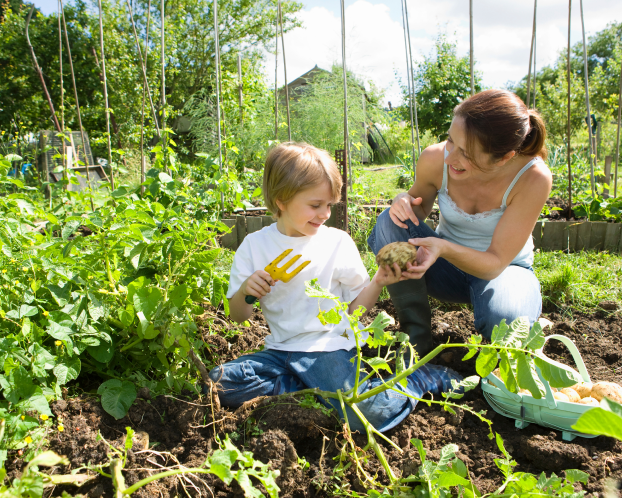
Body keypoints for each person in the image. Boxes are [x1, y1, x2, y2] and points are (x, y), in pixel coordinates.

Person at [209, 142, 461, 433]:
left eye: (329, 205)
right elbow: (238, 316)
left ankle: (419, 379)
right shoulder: (255, 246)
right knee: (218, 383)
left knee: (368, 416)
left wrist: (378, 281)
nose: (325, 213)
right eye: (315, 205)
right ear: (281, 200)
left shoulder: (336, 242)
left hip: (327, 349)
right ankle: (310, 390)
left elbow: (354, 312)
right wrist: (245, 292)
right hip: (280, 352)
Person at [368, 89, 551, 355]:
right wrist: (402, 200)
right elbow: (415, 209)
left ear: (504, 157)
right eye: (451, 141)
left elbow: (495, 263)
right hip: (443, 269)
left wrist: (443, 248)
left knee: (509, 325)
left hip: (503, 271)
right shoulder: (435, 158)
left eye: (467, 153)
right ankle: (415, 336)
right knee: (389, 221)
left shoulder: (533, 177)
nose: (450, 157)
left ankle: (514, 325)